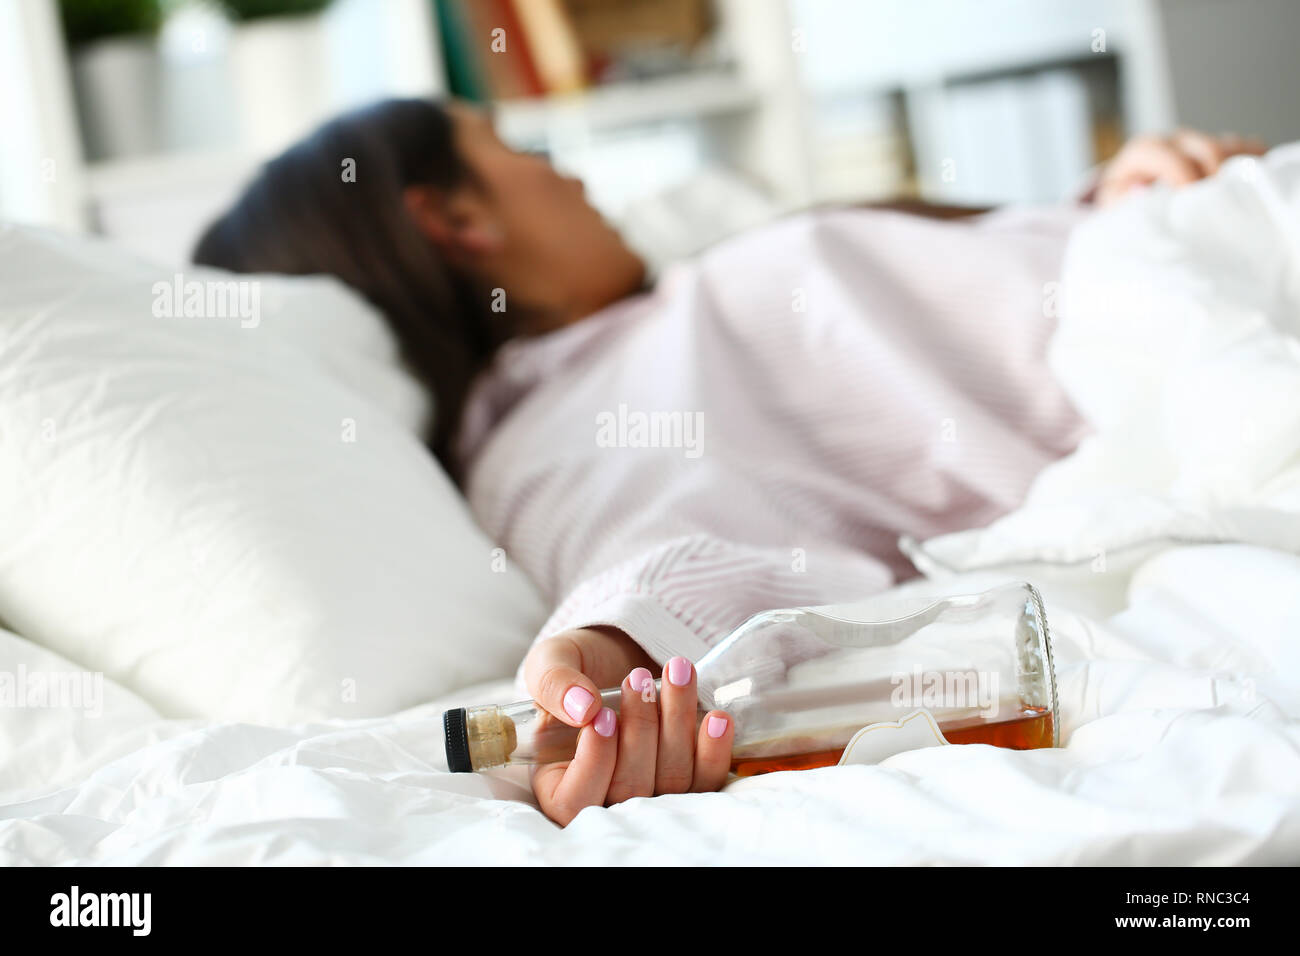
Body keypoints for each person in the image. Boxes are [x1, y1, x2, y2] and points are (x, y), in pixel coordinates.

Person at [194, 99, 1265, 825]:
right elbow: (664, 544)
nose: (561, 166)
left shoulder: (655, 317)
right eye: (513, 145)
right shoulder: (555, 421)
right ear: (456, 217)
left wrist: (1116, 190)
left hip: (1197, 248)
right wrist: (612, 656)